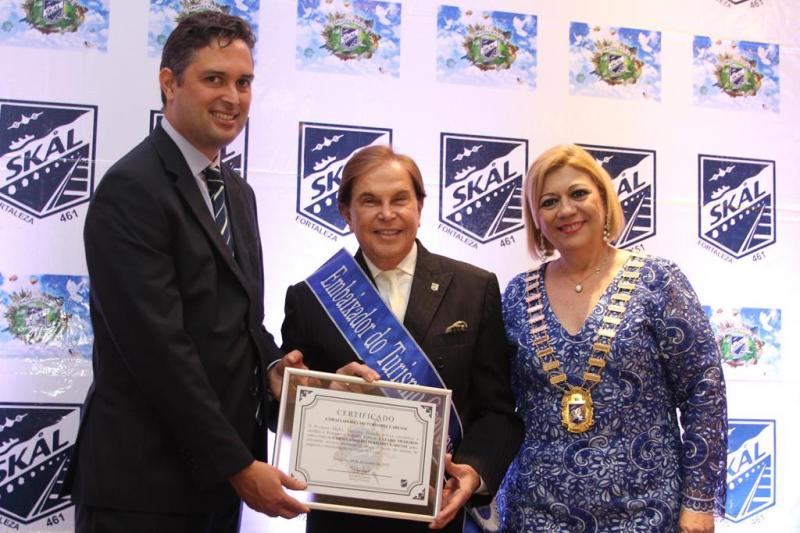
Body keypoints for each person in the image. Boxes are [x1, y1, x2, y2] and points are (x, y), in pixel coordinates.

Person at [64, 11, 309, 532]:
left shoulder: (238, 193)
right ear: (169, 83)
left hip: (212, 488)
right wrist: (238, 465)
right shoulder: (132, 188)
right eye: (214, 79)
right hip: (142, 490)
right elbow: (158, 350)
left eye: (243, 82)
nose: (233, 97)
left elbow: (237, 321)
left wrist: (274, 369)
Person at [280, 145, 523, 532]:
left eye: (399, 199)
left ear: (420, 207)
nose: (387, 214)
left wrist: (473, 471)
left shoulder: (474, 289)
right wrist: (323, 390)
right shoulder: (310, 298)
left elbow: (497, 412)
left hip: (436, 516)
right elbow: (284, 412)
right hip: (342, 519)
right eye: (370, 201)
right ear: (346, 213)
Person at [496, 144, 727, 533]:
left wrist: (699, 502)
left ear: (604, 200)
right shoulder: (518, 294)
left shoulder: (658, 281)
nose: (566, 210)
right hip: (536, 513)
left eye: (578, 193)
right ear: (536, 218)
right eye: (549, 201)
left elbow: (703, 391)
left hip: (647, 512)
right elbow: (495, 400)